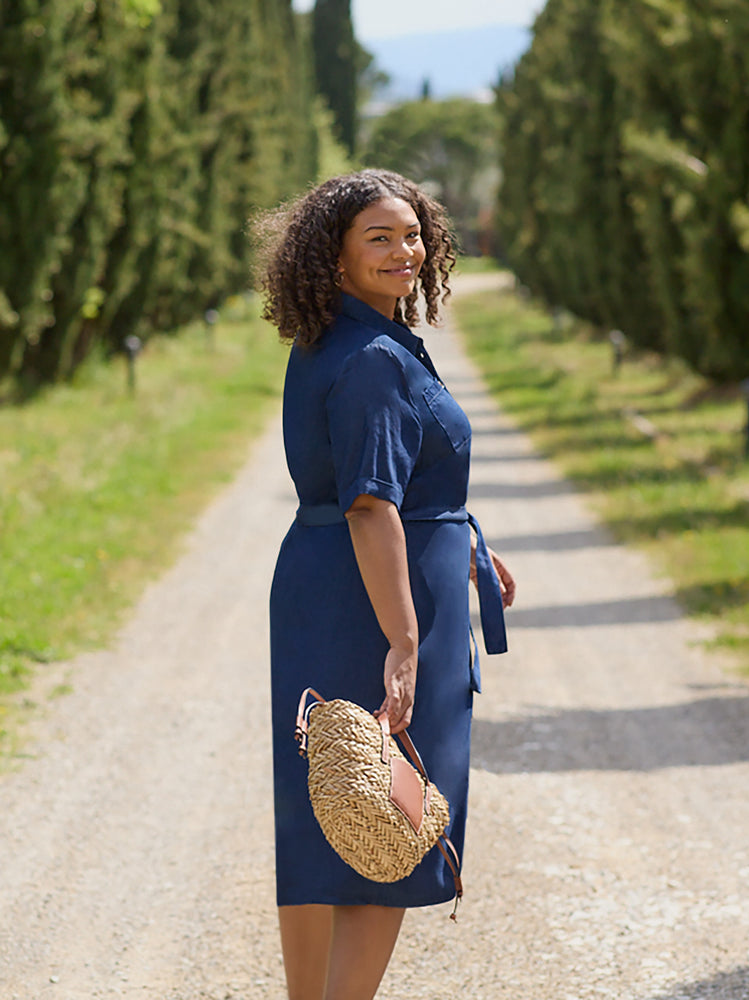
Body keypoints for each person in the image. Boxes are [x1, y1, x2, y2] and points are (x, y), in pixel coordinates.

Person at [258, 169, 515, 1000]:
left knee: (325, 810)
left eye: (411, 234)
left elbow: (399, 483)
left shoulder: (343, 337)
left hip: (333, 587)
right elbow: (372, 507)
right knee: (386, 822)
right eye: (380, 238)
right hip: (377, 601)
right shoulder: (372, 358)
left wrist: (467, 538)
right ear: (331, 259)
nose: (405, 250)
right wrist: (405, 641)